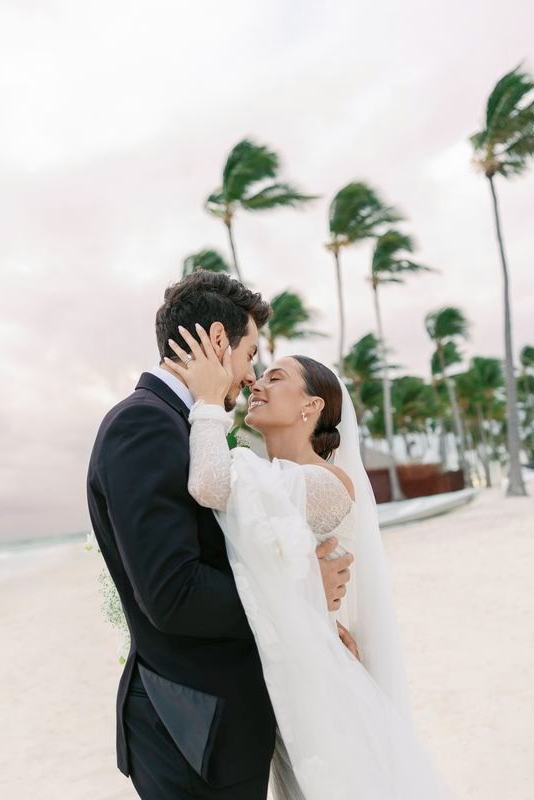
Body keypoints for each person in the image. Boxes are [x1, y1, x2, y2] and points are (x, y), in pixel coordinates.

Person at [86, 271, 354, 800]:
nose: (251, 375)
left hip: (213, 723)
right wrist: (301, 592)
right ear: (216, 340)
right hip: (191, 725)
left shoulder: (181, 426)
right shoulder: (144, 425)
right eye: (250, 353)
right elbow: (174, 594)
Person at [164, 323, 451, 800]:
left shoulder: (325, 485)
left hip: (320, 684)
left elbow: (209, 483)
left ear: (311, 406)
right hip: (290, 678)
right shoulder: (266, 475)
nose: (256, 383)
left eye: (275, 378)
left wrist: (209, 402)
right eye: (261, 375)